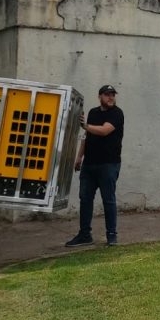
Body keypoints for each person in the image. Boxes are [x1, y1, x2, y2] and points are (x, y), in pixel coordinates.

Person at [66, 84, 124, 248]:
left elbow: (105, 130)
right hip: (89, 164)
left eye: (113, 95)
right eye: (107, 95)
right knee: (85, 199)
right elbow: (86, 136)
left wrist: (86, 126)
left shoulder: (117, 113)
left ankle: (111, 235)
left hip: (109, 164)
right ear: (100, 97)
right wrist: (79, 157)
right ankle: (85, 235)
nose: (111, 97)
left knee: (108, 200)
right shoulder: (93, 113)